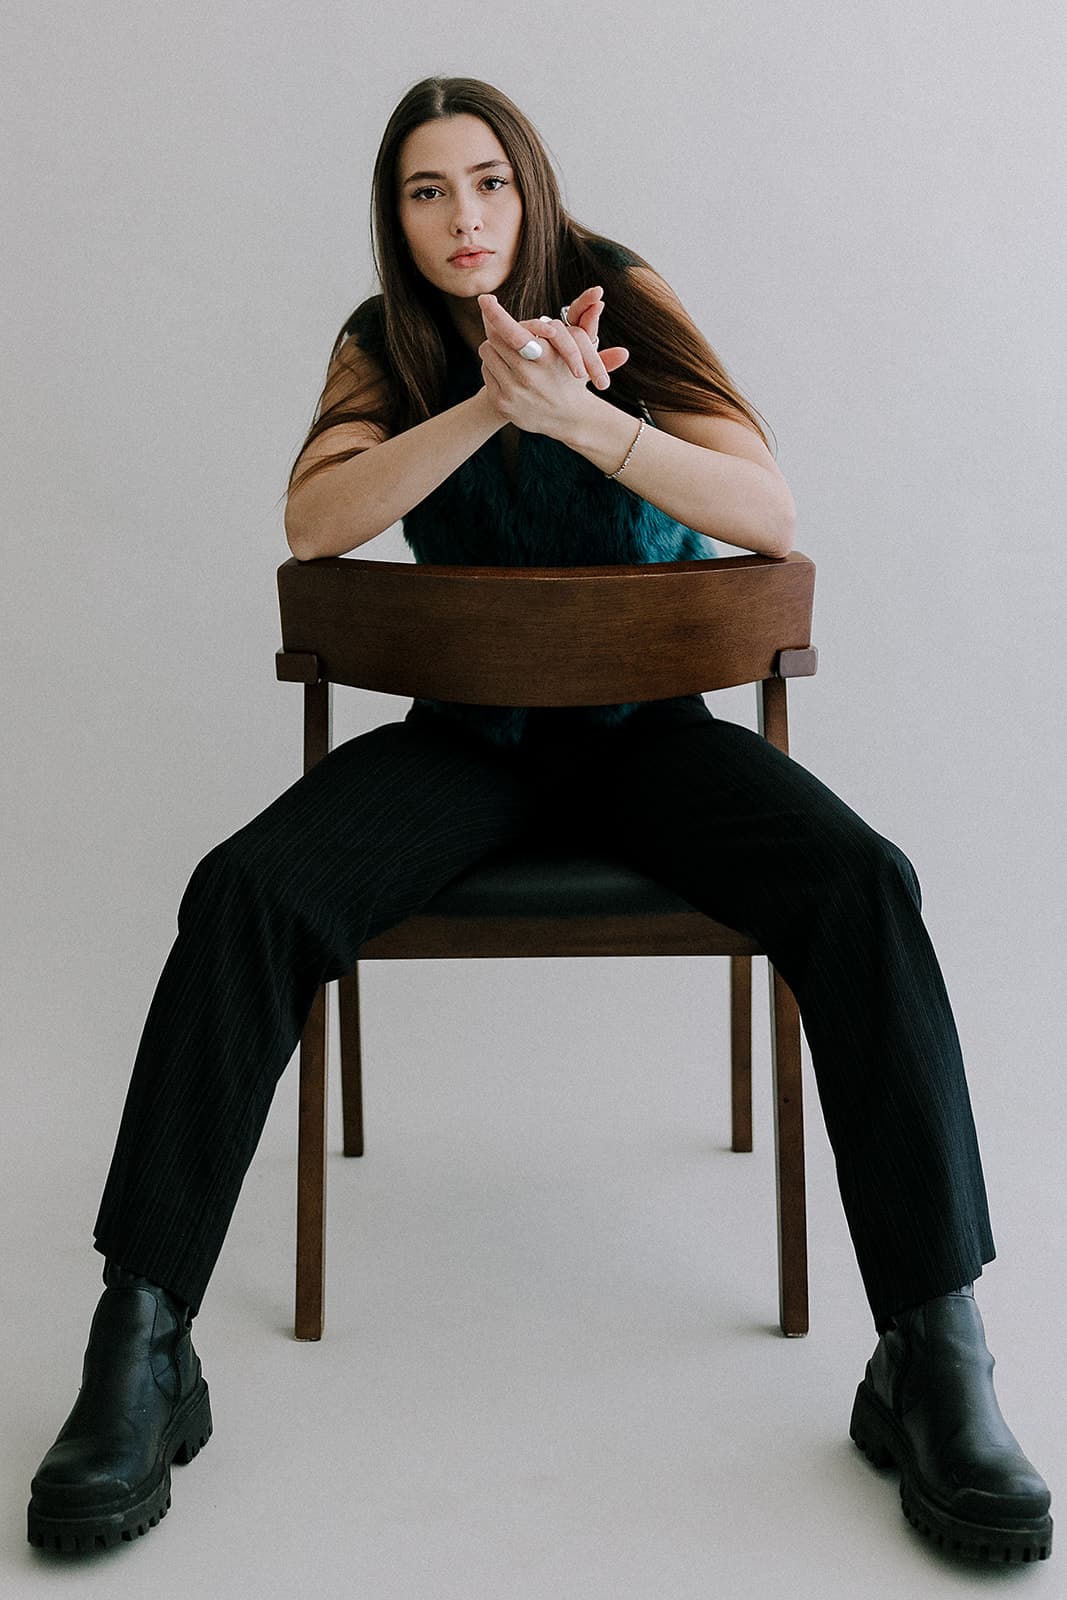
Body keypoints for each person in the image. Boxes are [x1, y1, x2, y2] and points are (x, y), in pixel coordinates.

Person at [27, 75, 1051, 1565]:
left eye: (489, 183)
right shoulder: (385, 340)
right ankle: (141, 1342)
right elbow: (316, 524)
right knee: (244, 889)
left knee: (864, 885)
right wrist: (479, 408)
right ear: (397, 215)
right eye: (428, 191)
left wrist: (583, 419)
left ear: (532, 188)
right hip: (469, 747)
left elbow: (765, 508)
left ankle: (933, 1355)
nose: (465, 218)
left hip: (652, 742)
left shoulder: (619, 289)